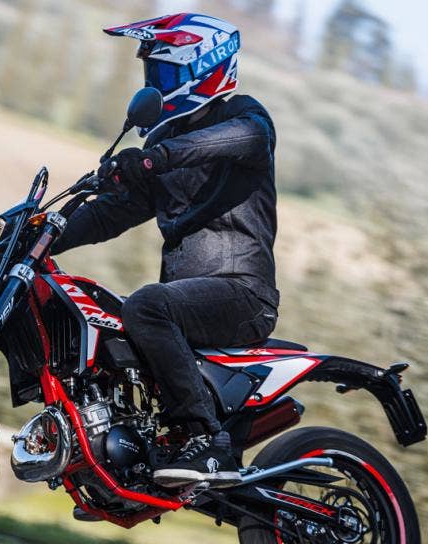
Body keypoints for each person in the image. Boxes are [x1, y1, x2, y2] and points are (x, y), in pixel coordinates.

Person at [51, 13, 279, 488]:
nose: (154, 85)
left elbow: (217, 144)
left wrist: (154, 159)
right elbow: (111, 214)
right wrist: (44, 233)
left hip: (242, 296)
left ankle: (209, 442)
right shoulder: (163, 140)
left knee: (146, 306)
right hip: (189, 302)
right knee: (108, 318)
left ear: (204, 68)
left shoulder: (245, 120)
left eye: (164, 73)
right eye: (152, 74)